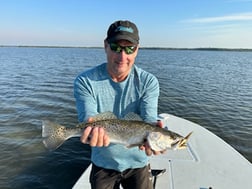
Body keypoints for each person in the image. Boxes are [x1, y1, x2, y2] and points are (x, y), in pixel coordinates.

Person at [74, 20, 163, 189]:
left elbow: (149, 119)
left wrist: (155, 135)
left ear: (137, 50)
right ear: (106, 46)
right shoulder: (85, 81)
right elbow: (88, 117)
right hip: (103, 164)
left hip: (138, 163)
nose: (123, 56)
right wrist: (90, 129)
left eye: (129, 48)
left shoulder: (148, 82)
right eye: (116, 47)